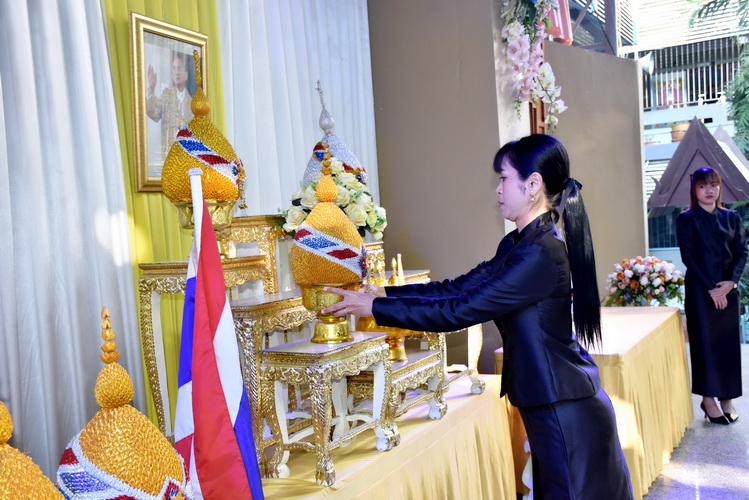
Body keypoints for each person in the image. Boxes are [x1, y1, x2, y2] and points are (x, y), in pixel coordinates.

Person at [323, 134, 633, 499]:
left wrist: (374, 309)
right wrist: (385, 294)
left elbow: (459, 311)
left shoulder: (539, 254)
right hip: (556, 400)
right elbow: (457, 289)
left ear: (533, 185)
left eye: (504, 178)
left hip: (565, 407)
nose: (498, 189)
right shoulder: (518, 244)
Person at [676, 167, 746, 425]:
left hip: (729, 291)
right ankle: (708, 400)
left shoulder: (732, 217)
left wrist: (730, 283)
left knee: (728, 346)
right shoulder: (686, 219)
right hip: (700, 292)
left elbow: (742, 252)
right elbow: (689, 257)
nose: (709, 190)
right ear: (694, 190)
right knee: (704, 346)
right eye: (703, 186)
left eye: (713, 185)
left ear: (719, 188)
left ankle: (727, 399)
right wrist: (712, 288)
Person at [146, 53, 193, 159]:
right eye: (174, 68)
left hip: (186, 158)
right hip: (168, 156)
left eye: (179, 68)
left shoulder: (192, 103)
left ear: (186, 75)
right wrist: (151, 88)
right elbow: (153, 113)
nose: (176, 72)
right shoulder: (166, 95)